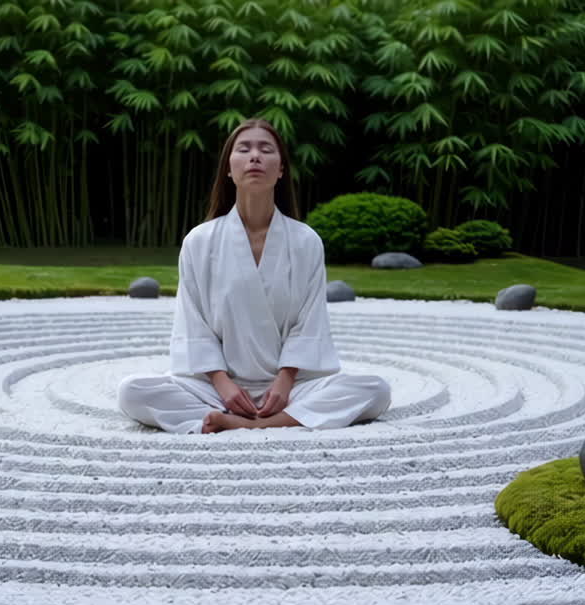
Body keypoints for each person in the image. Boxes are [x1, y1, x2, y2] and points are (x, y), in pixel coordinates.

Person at [117, 118, 391, 434]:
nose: (255, 157)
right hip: (216, 387)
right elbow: (193, 324)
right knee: (132, 391)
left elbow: (310, 322)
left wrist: (285, 381)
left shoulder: (305, 242)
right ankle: (278, 420)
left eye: (266, 149)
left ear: (281, 169)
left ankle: (253, 423)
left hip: (289, 387)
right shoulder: (199, 241)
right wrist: (223, 385)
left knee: (375, 389)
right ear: (229, 170)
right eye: (244, 149)